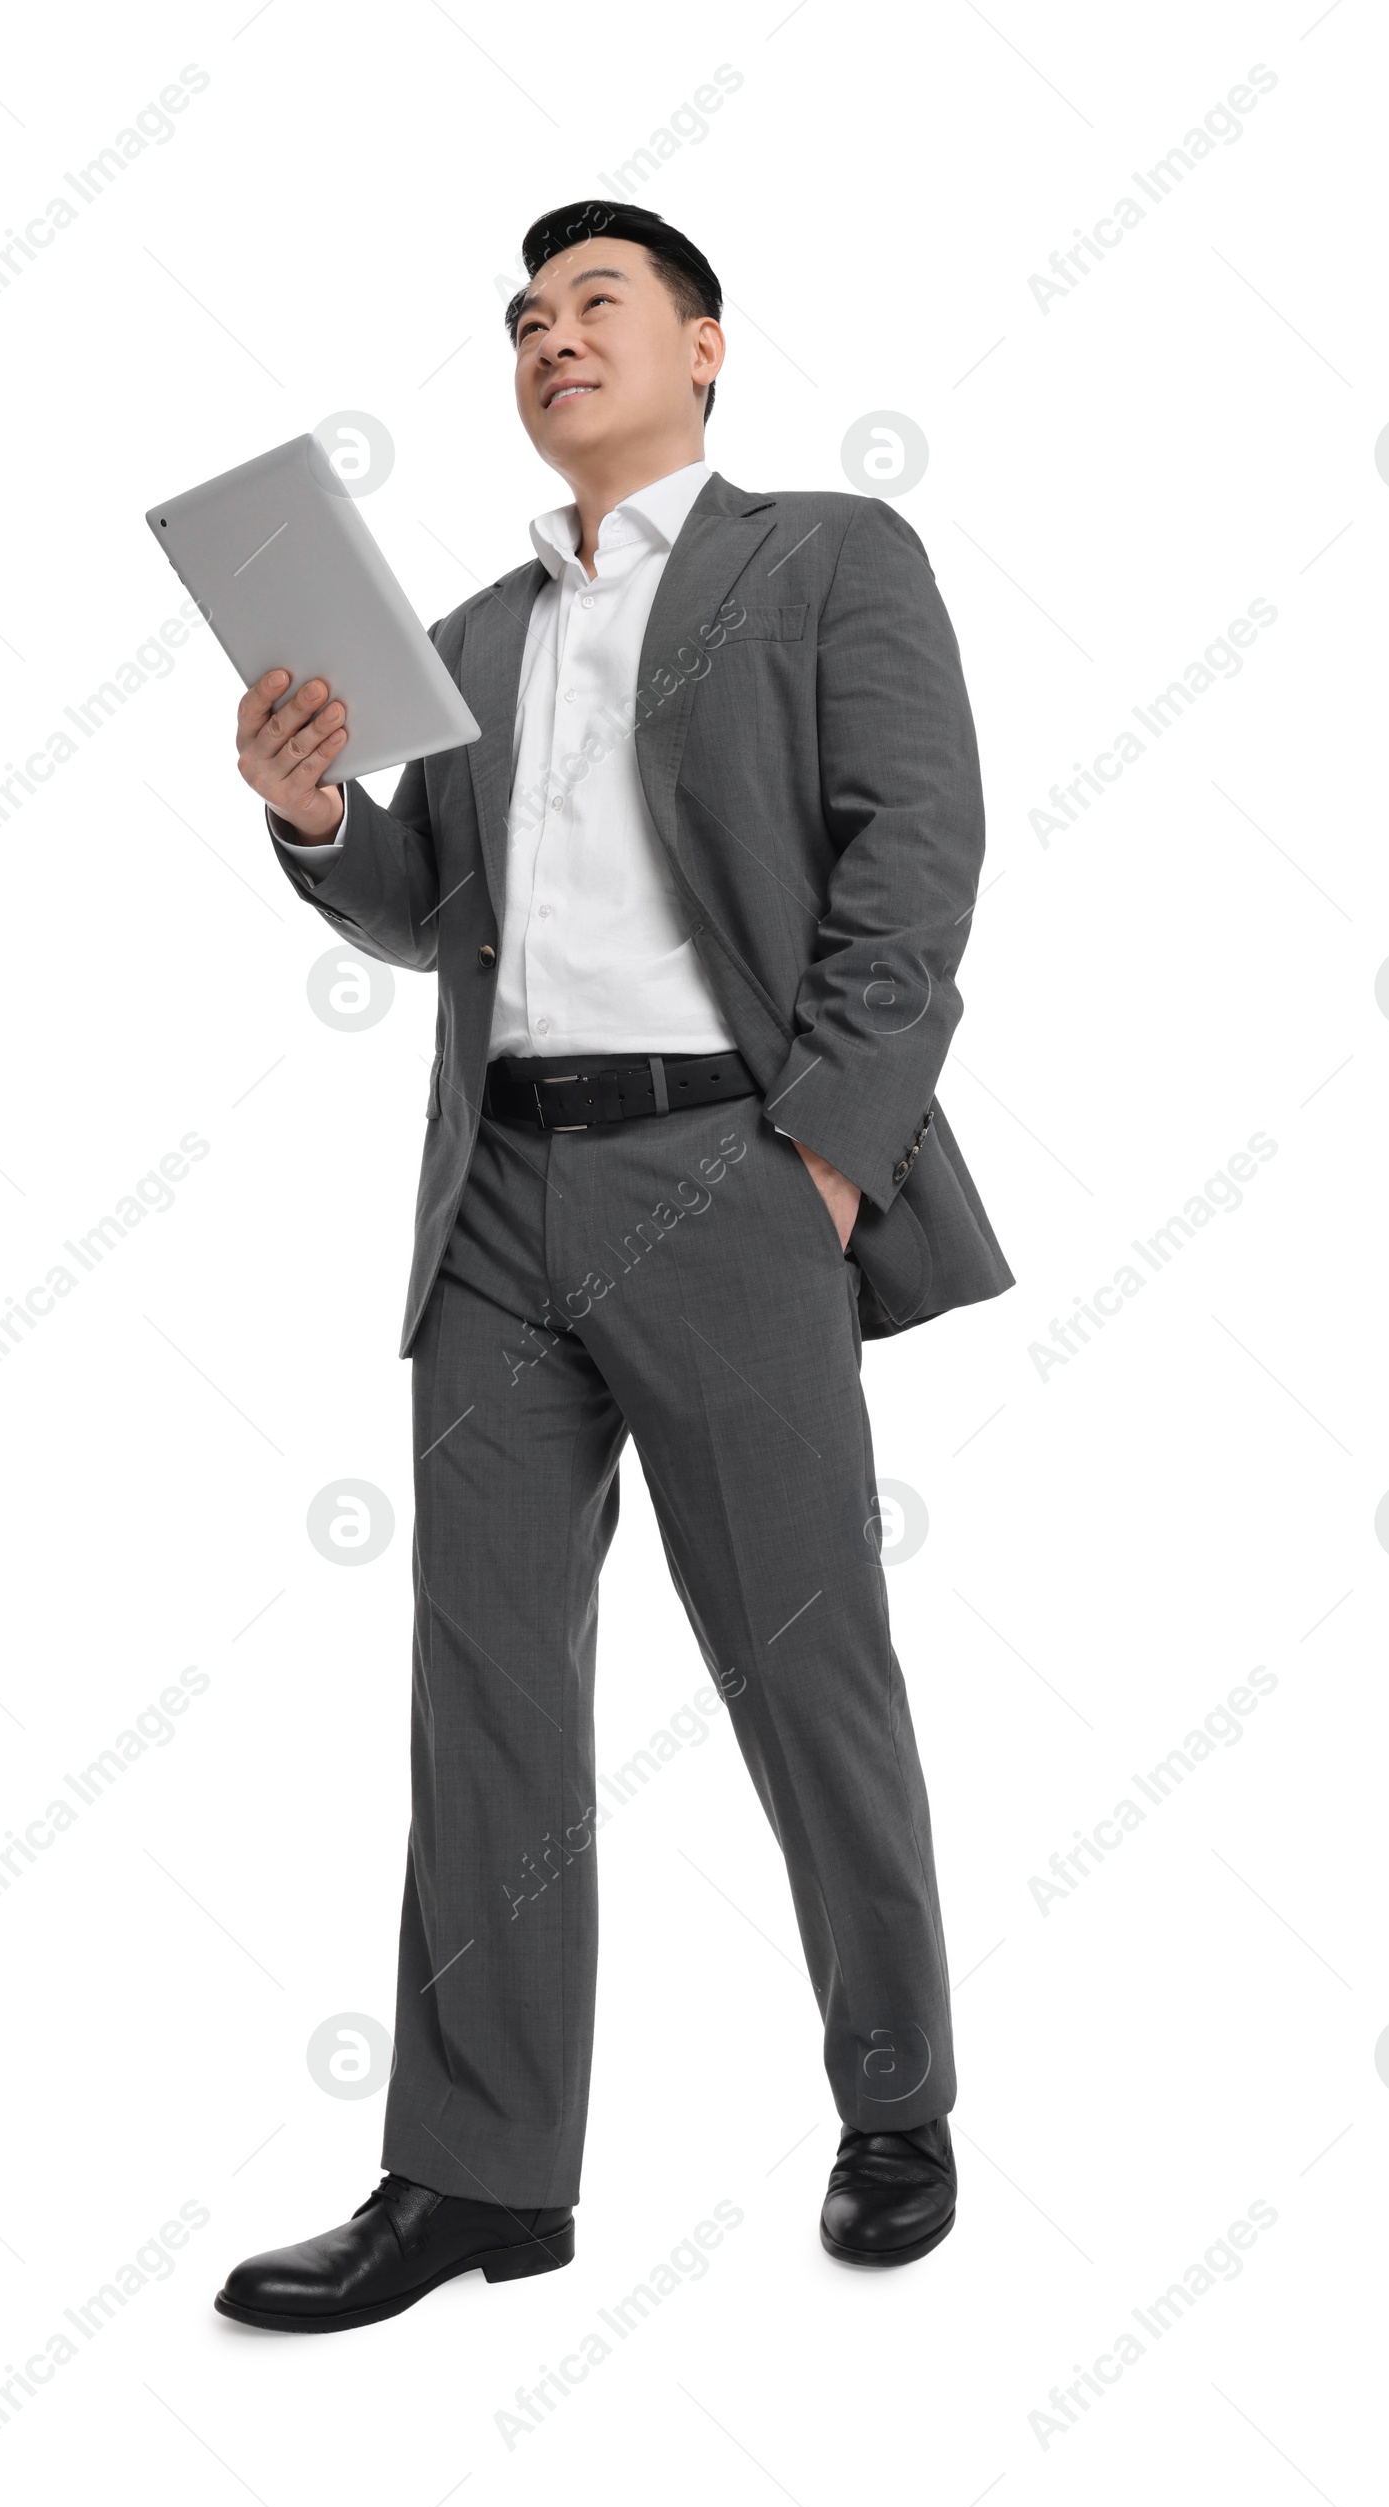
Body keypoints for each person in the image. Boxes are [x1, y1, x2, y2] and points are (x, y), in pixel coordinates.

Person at [213, 200, 1013, 2334]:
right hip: (494, 1198)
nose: (551, 337)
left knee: (797, 1660)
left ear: (705, 344)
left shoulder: (825, 558)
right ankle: (477, 2171)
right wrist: (314, 818)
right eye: (523, 319)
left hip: (725, 1173)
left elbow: (910, 862)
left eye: (595, 305)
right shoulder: (473, 634)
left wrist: (820, 1169)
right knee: (480, 1693)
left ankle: (894, 2101)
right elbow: (430, 903)